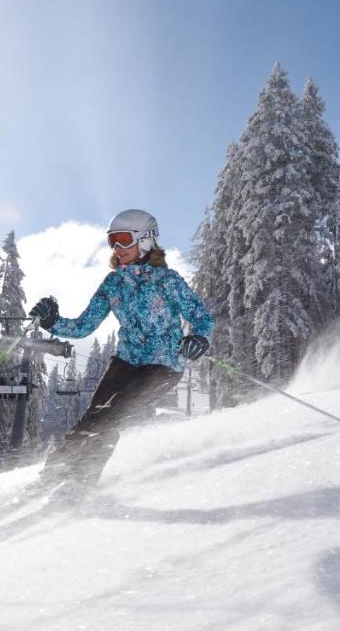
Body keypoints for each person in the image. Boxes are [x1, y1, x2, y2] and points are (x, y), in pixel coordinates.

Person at [27, 208, 214, 496]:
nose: (117, 248)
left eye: (124, 239)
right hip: (126, 361)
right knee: (94, 416)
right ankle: (54, 477)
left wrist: (200, 338)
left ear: (146, 240)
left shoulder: (167, 281)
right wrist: (53, 321)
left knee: (110, 417)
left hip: (163, 365)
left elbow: (202, 317)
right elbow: (82, 326)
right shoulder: (113, 284)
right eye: (112, 240)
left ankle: (78, 483)